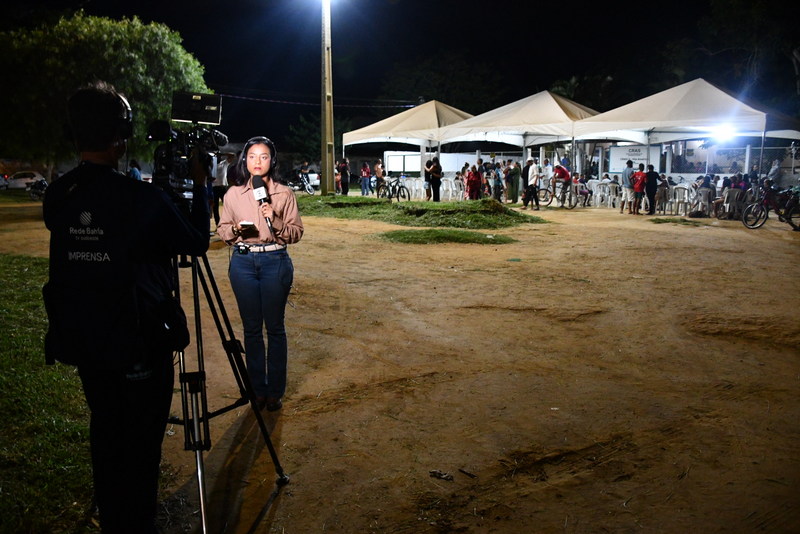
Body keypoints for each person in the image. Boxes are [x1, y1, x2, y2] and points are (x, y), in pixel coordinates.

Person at [43, 81, 210, 533]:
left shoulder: (59, 195)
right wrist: (200, 185)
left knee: (106, 429)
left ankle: (113, 516)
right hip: (137, 344)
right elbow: (196, 242)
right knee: (140, 445)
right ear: (121, 137)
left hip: (85, 342)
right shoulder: (142, 199)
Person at [217, 136, 304, 412]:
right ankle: (257, 389)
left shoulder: (284, 194)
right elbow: (222, 229)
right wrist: (235, 231)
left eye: (264, 156)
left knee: (275, 328)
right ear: (245, 160)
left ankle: (275, 392)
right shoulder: (233, 194)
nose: (258, 162)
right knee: (252, 330)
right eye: (252, 156)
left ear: (272, 161)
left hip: (274, 261)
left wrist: (274, 219)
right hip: (243, 263)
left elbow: (296, 233)